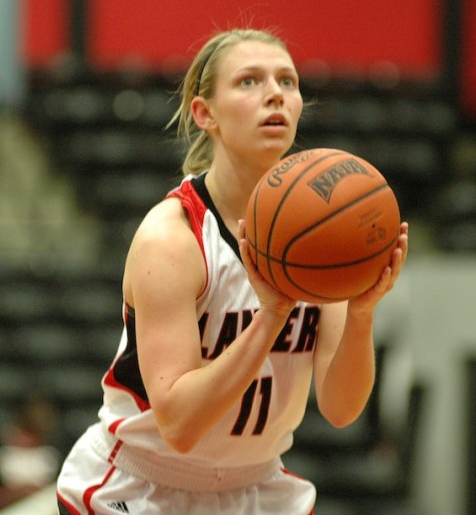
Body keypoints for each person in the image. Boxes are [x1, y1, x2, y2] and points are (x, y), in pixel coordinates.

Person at [56, 27, 409, 515]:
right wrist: (271, 315)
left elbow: (341, 409)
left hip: (257, 487)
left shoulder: (324, 239)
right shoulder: (173, 238)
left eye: (287, 81)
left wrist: (361, 313)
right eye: (249, 81)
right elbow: (179, 426)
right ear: (205, 114)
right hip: (144, 486)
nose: (274, 95)